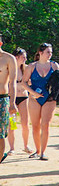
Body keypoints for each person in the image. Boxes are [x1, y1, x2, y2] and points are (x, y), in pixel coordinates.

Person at [21, 43, 59, 160]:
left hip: (50, 98)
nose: (50, 54)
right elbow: (23, 82)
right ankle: (37, 150)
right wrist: (33, 94)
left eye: (51, 52)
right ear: (40, 53)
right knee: (36, 126)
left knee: (45, 125)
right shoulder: (31, 66)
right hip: (34, 99)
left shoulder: (54, 66)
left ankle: (43, 152)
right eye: (48, 52)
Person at [0, 33, 19, 163]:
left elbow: (12, 82)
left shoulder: (8, 58)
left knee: (0, 133)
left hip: (2, 98)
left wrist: (12, 102)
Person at [10, 48, 32, 154]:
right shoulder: (10, 68)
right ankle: (12, 147)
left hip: (23, 96)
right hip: (11, 97)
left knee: (25, 123)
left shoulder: (26, 69)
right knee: (11, 123)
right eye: (23, 57)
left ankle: (26, 145)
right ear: (16, 57)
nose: (25, 59)